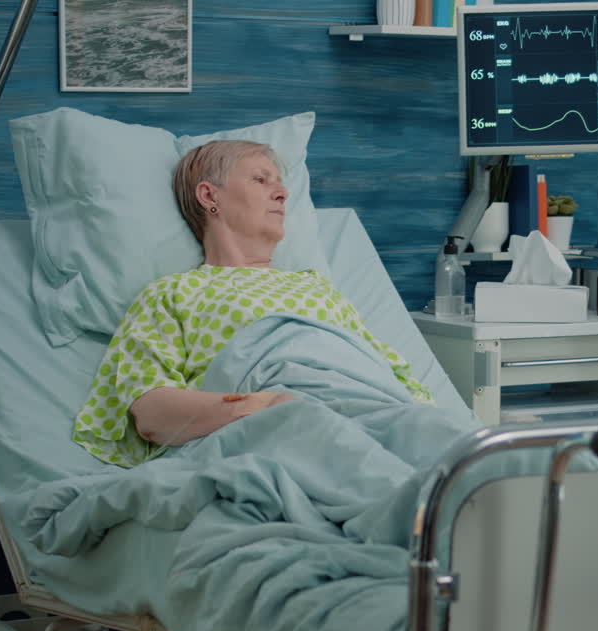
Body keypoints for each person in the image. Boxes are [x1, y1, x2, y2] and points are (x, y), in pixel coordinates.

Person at [73, 140, 433, 467]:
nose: (282, 194)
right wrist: (263, 407)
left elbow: (391, 381)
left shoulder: (320, 289)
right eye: (261, 180)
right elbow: (152, 414)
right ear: (208, 196)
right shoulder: (173, 294)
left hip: (374, 422)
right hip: (274, 437)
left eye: (279, 183)